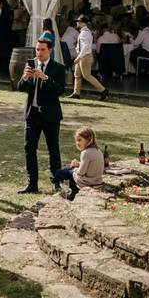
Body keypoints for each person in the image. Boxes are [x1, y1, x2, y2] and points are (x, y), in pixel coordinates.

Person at [17, 39, 66, 193]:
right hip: (32, 114)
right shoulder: (31, 64)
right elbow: (20, 88)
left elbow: (59, 90)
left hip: (51, 115)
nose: (39, 53)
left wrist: (45, 78)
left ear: (50, 50)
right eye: (37, 49)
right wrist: (25, 77)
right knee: (29, 148)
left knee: (53, 148)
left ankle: (56, 182)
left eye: (42, 50)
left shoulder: (58, 68)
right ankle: (32, 184)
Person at [52, 126, 104, 201]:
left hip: (87, 181)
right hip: (97, 181)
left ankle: (72, 191)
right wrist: (79, 164)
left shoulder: (85, 153)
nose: (77, 143)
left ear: (88, 140)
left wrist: (75, 168)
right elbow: (90, 165)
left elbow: (81, 173)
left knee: (61, 172)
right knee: (68, 169)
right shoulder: (98, 150)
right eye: (76, 140)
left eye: (80, 140)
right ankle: (67, 189)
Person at [69, 15, 108, 101]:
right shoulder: (84, 32)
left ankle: (103, 90)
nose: (77, 23)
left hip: (84, 56)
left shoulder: (84, 33)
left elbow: (85, 47)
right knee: (77, 75)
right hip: (83, 55)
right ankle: (76, 93)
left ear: (83, 23)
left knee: (87, 76)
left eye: (79, 21)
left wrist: (79, 57)